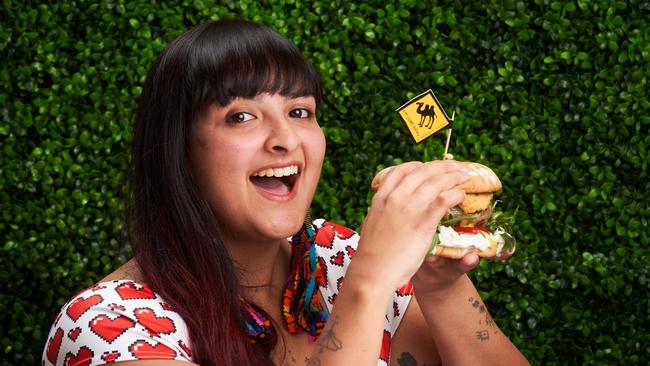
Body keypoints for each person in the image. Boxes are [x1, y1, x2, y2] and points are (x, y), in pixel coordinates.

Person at [42, 19, 530, 366]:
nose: (285, 139)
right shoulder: (112, 329)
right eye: (241, 116)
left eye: (300, 111)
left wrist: (441, 287)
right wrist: (366, 287)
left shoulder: (339, 256)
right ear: (179, 148)